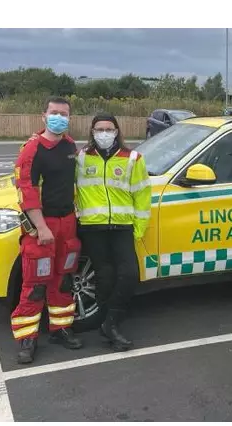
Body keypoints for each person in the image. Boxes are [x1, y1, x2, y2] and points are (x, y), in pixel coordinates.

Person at [11, 96, 84, 364]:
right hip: (42, 226)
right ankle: (27, 339)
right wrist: (41, 227)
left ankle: (61, 328)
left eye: (63, 114)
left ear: (70, 118)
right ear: (44, 116)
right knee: (35, 283)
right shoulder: (31, 149)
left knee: (63, 279)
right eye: (54, 113)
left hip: (67, 223)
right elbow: (26, 191)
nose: (59, 117)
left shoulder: (69, 145)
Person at [75, 113, 151, 351]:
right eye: (99, 129)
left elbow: (142, 195)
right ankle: (110, 327)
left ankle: (110, 322)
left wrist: (138, 229)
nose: (104, 133)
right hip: (92, 227)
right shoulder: (81, 158)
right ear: (92, 132)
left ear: (117, 132)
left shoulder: (133, 159)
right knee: (104, 277)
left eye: (109, 129)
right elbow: (69, 188)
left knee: (129, 274)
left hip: (122, 227)